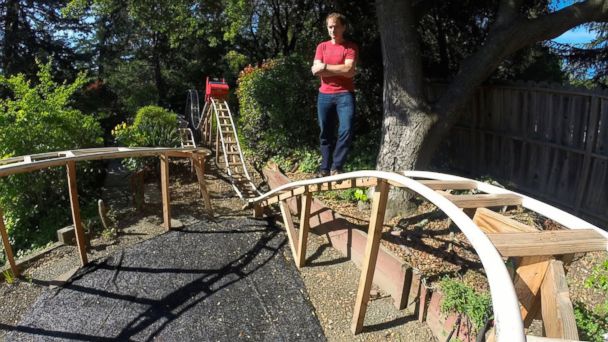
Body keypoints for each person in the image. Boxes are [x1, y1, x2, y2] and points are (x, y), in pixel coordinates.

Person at [311, 12, 357, 177]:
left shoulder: (350, 47)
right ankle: (324, 168)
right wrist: (339, 69)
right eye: (330, 27)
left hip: (345, 95)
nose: (332, 30)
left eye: (336, 26)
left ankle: (336, 167)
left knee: (346, 129)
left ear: (343, 27)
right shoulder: (321, 47)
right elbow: (315, 70)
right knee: (325, 133)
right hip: (324, 95)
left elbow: (349, 70)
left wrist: (325, 67)